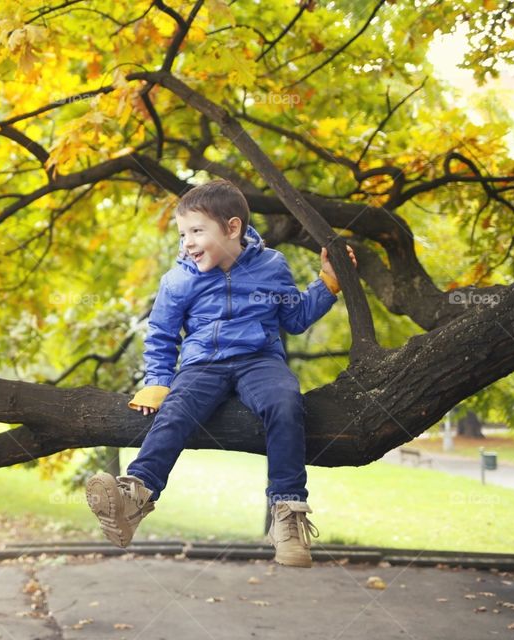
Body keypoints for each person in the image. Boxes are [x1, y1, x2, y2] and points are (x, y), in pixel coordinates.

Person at [85, 180, 357, 568]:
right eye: (183, 233)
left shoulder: (272, 266)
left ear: (233, 228)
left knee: (285, 402)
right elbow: (161, 335)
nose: (188, 243)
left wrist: (329, 282)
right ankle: (134, 497)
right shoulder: (178, 279)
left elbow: (295, 318)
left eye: (197, 231)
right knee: (176, 410)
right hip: (202, 365)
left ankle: (288, 514)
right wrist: (158, 381)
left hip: (259, 360)